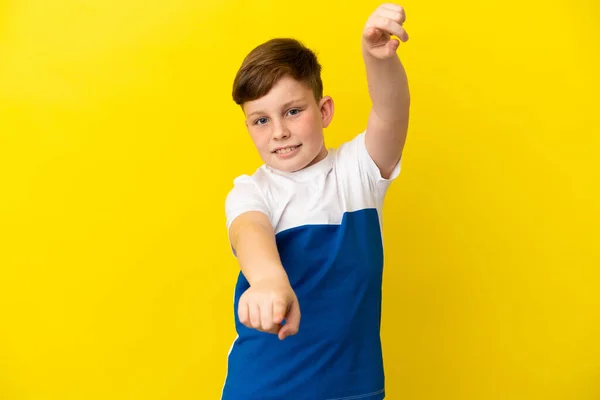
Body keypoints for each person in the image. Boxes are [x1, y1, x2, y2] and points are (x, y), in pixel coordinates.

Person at [222, 3, 410, 399]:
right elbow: (248, 232)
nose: (279, 132)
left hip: (353, 389)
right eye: (261, 120)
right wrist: (269, 280)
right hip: (263, 388)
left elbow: (391, 113)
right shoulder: (252, 190)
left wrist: (376, 59)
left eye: (292, 111)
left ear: (324, 111)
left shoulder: (358, 171)